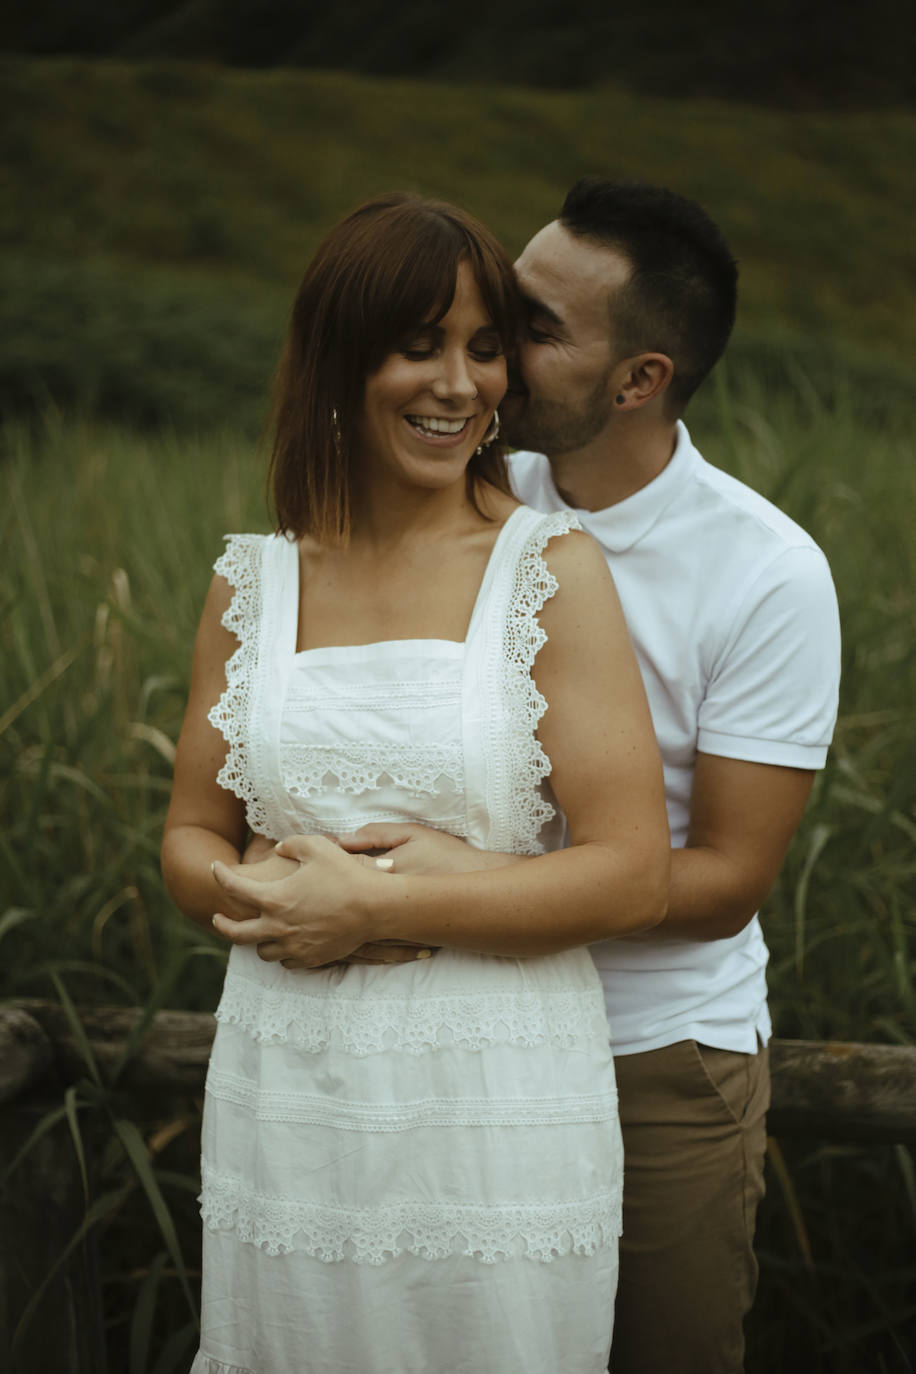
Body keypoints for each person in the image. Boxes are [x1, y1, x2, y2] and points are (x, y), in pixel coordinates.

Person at [224, 179, 842, 1374]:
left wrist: (424, 894)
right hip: (430, 1038)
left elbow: (722, 881)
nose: (485, 354)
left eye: (528, 329)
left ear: (639, 379)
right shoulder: (456, 488)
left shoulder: (766, 575)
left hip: (650, 1053)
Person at [161, 192, 670, 1374]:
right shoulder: (253, 583)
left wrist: (380, 908)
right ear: (338, 358)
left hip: (492, 1101)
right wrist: (261, 897)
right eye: (417, 345)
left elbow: (631, 872)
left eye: (485, 348)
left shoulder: (549, 574)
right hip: (288, 1094)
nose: (459, 384)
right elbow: (193, 831)